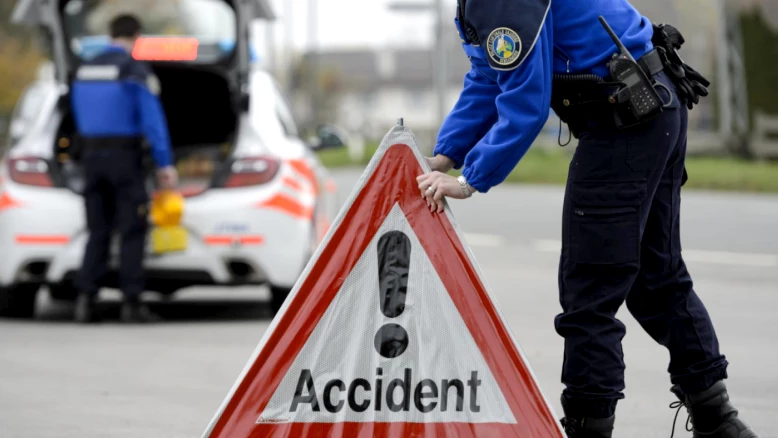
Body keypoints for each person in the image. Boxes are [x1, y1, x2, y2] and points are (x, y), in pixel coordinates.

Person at [415, 1, 758, 437]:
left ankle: (590, 428)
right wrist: (445, 156)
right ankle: (719, 422)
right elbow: (489, 74)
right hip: (655, 103)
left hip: (627, 117)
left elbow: (526, 101)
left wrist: (470, 180)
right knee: (657, 279)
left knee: (590, 293)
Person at [70, 14, 178, 324]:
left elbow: (76, 115)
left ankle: (85, 301)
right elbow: (152, 122)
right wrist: (164, 163)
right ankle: (131, 303)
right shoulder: (134, 71)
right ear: (137, 36)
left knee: (98, 231)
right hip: (125, 160)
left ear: (110, 35)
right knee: (132, 229)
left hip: (91, 160)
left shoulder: (84, 70)